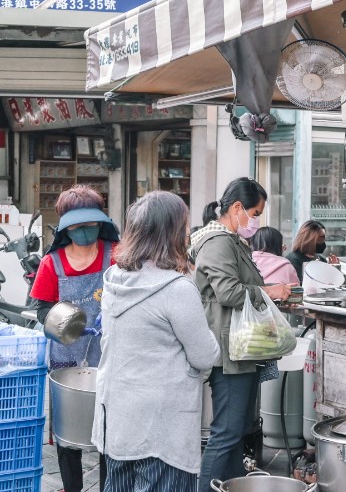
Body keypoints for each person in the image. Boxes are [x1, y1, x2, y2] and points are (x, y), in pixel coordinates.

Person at [92, 191, 219, 491]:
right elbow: (204, 355)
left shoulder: (114, 278)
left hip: (118, 418)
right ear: (173, 233)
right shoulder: (177, 289)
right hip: (161, 428)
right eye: (185, 227)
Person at [189, 178, 291, 492]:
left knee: (235, 435)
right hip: (228, 350)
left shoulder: (233, 240)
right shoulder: (218, 242)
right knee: (226, 433)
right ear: (237, 208)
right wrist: (270, 291)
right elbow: (230, 292)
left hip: (240, 349)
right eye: (255, 213)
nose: (256, 221)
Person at [31, 185, 119, 492]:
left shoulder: (115, 256)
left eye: (91, 224)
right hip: (65, 358)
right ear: (66, 226)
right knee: (68, 434)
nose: (85, 231)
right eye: (78, 226)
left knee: (109, 429)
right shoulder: (52, 263)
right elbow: (41, 310)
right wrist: (64, 323)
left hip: (109, 355)